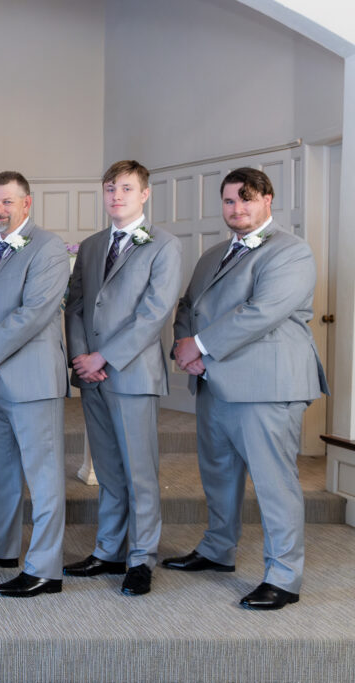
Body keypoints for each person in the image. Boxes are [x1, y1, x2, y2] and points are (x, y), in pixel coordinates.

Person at [167, 167, 327, 611]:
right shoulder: (212, 254)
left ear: (268, 200)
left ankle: (283, 575)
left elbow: (261, 313)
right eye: (229, 201)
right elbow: (189, 308)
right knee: (218, 476)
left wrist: (198, 346)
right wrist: (187, 348)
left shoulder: (291, 252)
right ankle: (218, 549)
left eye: (246, 199)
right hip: (214, 382)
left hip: (266, 386)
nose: (236, 209)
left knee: (275, 484)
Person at [64, 160, 182, 596]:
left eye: (126, 189)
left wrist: (104, 357)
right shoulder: (93, 246)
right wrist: (81, 356)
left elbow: (154, 314)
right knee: (109, 470)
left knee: (140, 471)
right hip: (91, 374)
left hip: (131, 373)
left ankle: (141, 558)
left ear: (145, 194)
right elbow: (75, 304)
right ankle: (108, 550)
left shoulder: (164, 245)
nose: (117, 196)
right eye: (111, 188)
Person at [0, 171, 69, 598]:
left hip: (30, 381)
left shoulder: (49, 247)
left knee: (43, 477)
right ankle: (3, 547)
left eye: (8, 202)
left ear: (28, 203)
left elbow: (36, 312)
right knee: (3, 472)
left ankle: (44, 568)